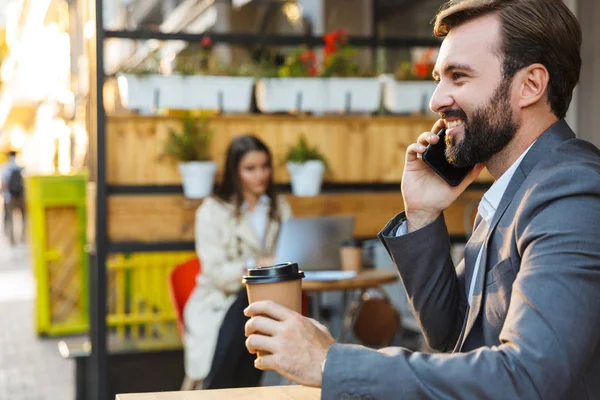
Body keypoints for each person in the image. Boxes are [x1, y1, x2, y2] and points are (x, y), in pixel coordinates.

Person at [243, 0, 600, 398]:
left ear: (530, 85)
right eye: (437, 78)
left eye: (459, 77)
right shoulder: (517, 187)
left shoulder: (570, 189)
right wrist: (423, 213)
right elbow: (451, 333)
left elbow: (530, 376)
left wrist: (330, 361)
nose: (436, 100)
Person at [183, 134, 292, 389]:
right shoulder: (211, 211)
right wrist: (259, 265)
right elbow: (216, 273)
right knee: (248, 306)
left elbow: (288, 254)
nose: (260, 175)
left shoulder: (279, 207)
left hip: (270, 300)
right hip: (219, 302)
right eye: (250, 169)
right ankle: (216, 390)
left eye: (265, 166)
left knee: (256, 310)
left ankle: (225, 390)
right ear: (235, 172)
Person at [0, 151, 26, 245]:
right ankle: (23, 238)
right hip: (21, 196)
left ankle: (12, 240)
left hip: (9, 197)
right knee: (24, 218)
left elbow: (4, 184)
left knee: (10, 219)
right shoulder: (20, 167)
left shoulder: (5, 168)